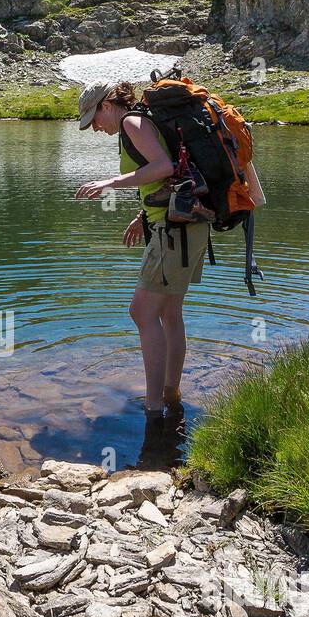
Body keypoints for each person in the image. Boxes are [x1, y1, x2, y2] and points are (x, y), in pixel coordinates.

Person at [74, 80, 211, 417]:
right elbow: (170, 175)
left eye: (94, 119)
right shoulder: (143, 120)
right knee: (169, 313)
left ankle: (153, 406)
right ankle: (170, 394)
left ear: (107, 106)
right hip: (185, 224)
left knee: (141, 312)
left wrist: (111, 182)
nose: (95, 128)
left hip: (173, 231)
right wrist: (142, 215)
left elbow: (163, 166)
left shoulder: (132, 123)